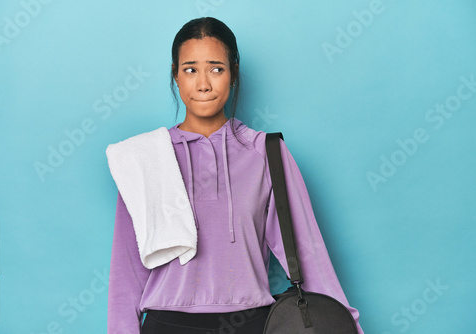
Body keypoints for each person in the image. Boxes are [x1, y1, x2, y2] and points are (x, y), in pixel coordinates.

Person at [107, 17, 364, 334]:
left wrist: (347, 327)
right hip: (167, 323)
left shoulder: (266, 153)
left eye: (216, 68)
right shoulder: (143, 157)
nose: (203, 83)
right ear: (175, 75)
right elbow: (127, 272)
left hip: (250, 323)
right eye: (190, 69)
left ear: (234, 74)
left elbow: (310, 256)